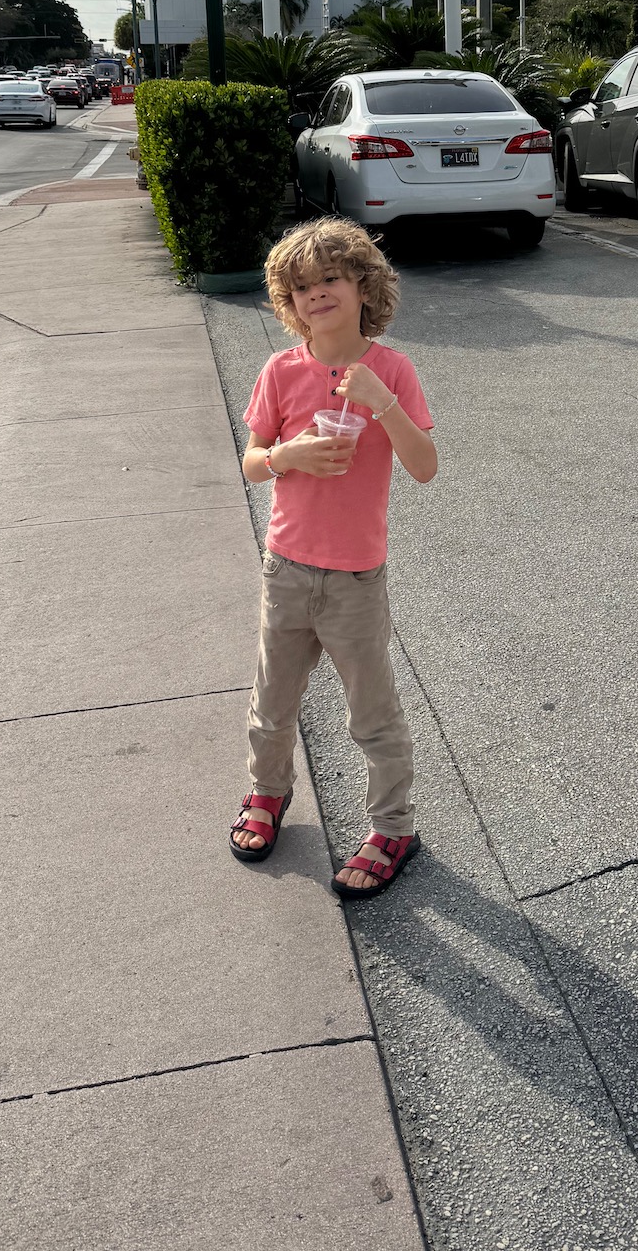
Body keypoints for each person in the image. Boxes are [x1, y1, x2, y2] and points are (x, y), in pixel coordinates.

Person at [232, 217, 438, 900]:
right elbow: (254, 462)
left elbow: (425, 467)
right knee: (272, 702)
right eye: (300, 288)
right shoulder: (281, 370)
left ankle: (392, 827)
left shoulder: (392, 370)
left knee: (371, 713)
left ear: (361, 285)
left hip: (353, 576)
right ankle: (267, 793)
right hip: (287, 565)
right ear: (287, 304)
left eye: (329, 279)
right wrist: (284, 457)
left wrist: (382, 405)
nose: (316, 294)